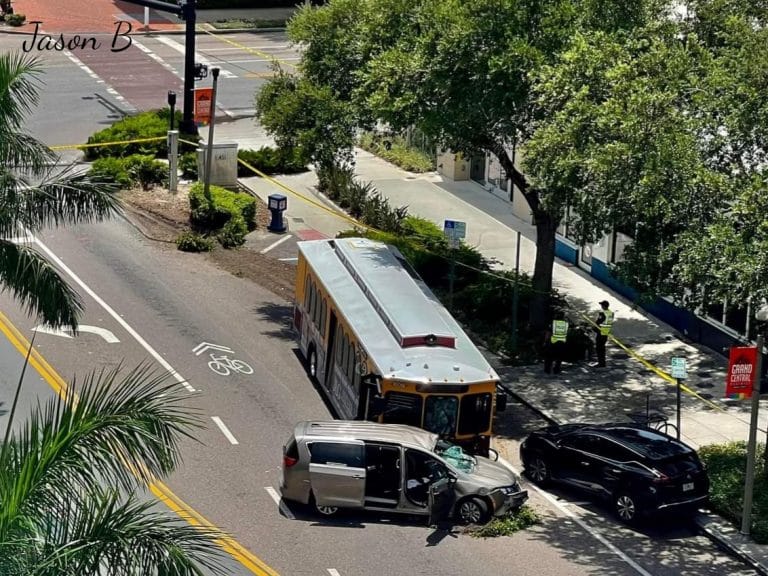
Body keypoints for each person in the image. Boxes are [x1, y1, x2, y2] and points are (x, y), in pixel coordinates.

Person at [544, 310, 569, 374]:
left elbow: (548, 332)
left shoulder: (553, 323)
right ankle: (557, 370)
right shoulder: (565, 323)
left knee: (549, 356)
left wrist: (546, 341)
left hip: (553, 341)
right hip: (562, 342)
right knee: (559, 357)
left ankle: (547, 370)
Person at [594, 300, 614, 368]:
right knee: (602, 348)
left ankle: (601, 363)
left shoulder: (602, 313)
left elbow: (598, 322)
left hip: (600, 332)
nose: (601, 306)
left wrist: (593, 328)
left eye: (602, 305)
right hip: (606, 332)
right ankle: (602, 362)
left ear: (604, 306)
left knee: (599, 348)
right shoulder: (611, 313)